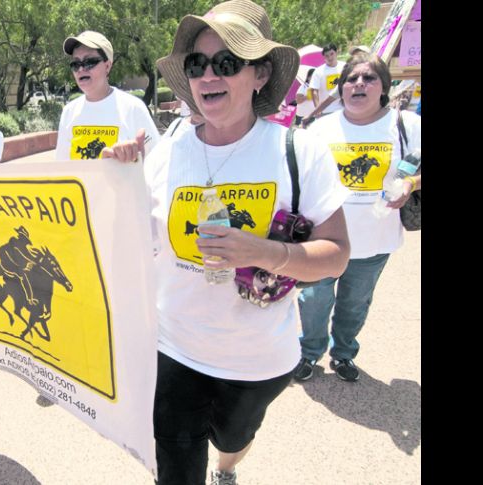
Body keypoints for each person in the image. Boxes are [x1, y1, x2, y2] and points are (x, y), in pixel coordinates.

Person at [148, 1, 351, 483]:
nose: (208, 75)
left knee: (233, 438)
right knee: (174, 465)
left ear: (260, 75)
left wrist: (263, 252)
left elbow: (338, 255)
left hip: (257, 359)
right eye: (197, 63)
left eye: (227, 62)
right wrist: (114, 172)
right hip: (173, 348)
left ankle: (230, 463)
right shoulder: (165, 151)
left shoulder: (299, 151)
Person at [293, 53, 421, 383]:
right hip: (322, 241)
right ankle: (309, 353)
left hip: (374, 241)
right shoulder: (320, 129)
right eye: (350, 79)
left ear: (384, 87)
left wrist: (410, 182)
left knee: (354, 305)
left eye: (368, 78)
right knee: (312, 300)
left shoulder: (406, 124)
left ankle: (344, 353)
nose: (358, 84)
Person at [55, 30, 160, 162]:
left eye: (89, 62)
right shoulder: (68, 112)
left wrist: (137, 158)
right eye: (75, 64)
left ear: (107, 66)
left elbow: (157, 162)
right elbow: (62, 168)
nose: (81, 69)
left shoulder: (133, 108)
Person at [0, 226, 42, 306]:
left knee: (25, 271)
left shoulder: (21, 246)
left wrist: (36, 261)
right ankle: (30, 299)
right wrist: (26, 265)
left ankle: (30, 298)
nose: (26, 242)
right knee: (23, 275)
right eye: (25, 239)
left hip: (14, 262)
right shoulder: (15, 245)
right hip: (8, 263)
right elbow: (23, 256)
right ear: (21, 237)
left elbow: (27, 256)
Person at [306, 43, 345, 121]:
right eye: (327, 55)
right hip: (326, 110)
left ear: (336, 53)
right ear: (324, 57)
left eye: (332, 54)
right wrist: (318, 109)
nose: (330, 57)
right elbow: (314, 91)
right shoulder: (318, 71)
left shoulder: (345, 66)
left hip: (343, 108)